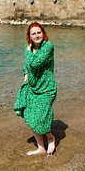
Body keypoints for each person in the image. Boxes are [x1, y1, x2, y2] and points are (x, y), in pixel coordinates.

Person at [14, 22, 57, 156]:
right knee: (29, 114)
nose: (37, 35)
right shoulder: (28, 49)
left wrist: (27, 52)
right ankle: (41, 148)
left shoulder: (48, 46)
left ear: (43, 33)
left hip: (46, 88)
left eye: (39, 32)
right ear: (29, 36)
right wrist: (25, 76)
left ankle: (50, 137)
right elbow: (27, 66)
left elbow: (35, 63)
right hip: (31, 86)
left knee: (40, 117)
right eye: (33, 33)